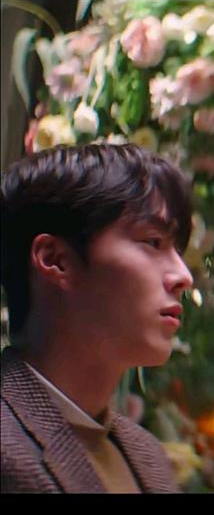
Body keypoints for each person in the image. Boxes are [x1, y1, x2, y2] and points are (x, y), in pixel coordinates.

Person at [1, 142, 194, 493]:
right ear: (56, 259)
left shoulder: (147, 453)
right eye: (153, 242)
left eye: (177, 249)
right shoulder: (8, 450)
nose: (183, 276)